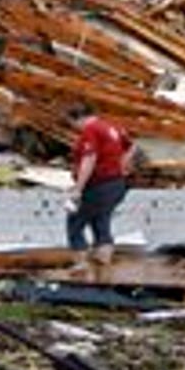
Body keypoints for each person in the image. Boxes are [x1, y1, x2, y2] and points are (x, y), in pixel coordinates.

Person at [65, 104, 131, 263]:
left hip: (98, 185)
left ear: (78, 118)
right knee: (101, 223)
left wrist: (78, 189)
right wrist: (122, 166)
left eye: (73, 124)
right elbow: (130, 146)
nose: (75, 128)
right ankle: (104, 267)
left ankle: (80, 268)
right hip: (116, 183)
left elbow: (89, 159)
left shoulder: (91, 130)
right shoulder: (112, 127)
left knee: (75, 224)